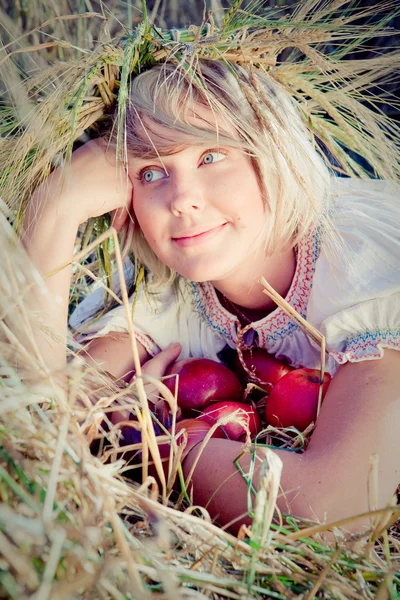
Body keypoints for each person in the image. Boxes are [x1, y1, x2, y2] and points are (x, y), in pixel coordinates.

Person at [21, 56, 400, 537]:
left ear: (273, 156)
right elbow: (37, 420)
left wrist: (150, 443)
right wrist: (55, 206)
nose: (181, 198)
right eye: (151, 172)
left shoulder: (359, 268)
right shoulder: (166, 290)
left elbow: (333, 509)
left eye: (211, 156)